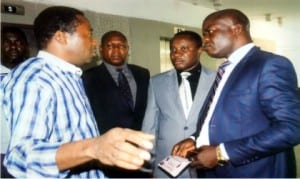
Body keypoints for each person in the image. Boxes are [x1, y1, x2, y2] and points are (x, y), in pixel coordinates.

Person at [0, 6, 154, 178]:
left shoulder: (69, 76)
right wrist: (93, 148)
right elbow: (20, 158)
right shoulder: (35, 79)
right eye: (88, 34)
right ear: (61, 37)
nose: (94, 42)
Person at [172, 9, 300, 178]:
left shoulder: (270, 65)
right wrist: (195, 139)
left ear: (236, 29)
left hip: (254, 172)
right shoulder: (225, 69)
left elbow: (292, 128)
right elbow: (220, 118)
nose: (205, 40)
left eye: (209, 32)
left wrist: (221, 153)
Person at [141, 30, 216, 178]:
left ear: (199, 50)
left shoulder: (216, 80)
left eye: (184, 49)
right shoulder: (157, 82)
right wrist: (148, 167)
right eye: (173, 50)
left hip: (206, 163)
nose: (176, 54)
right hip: (167, 165)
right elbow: (149, 127)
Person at [82, 30, 150, 177]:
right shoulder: (88, 77)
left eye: (121, 46)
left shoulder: (142, 73)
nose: (116, 50)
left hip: (141, 150)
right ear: (101, 49)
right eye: (110, 45)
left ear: (127, 49)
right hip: (109, 152)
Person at [1, 26, 30, 178]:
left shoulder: (33, 74)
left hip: (28, 152)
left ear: (25, 46)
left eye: (18, 42)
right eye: (7, 42)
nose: (13, 46)